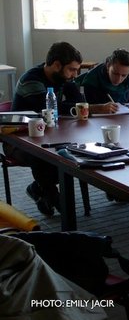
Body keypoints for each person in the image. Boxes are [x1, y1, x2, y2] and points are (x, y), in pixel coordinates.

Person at [6, 42, 84, 216]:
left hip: (49, 135)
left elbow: (79, 103)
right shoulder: (31, 80)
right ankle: (56, 199)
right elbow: (48, 110)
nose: (75, 75)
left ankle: (38, 188)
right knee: (45, 156)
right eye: (72, 69)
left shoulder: (62, 78)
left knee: (72, 155)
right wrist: (70, 106)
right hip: (18, 141)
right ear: (57, 65)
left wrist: (72, 103)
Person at [75, 48, 129, 113]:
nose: (119, 80)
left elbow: (128, 107)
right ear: (108, 66)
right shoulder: (91, 82)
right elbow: (80, 109)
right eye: (115, 73)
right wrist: (98, 108)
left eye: (124, 75)